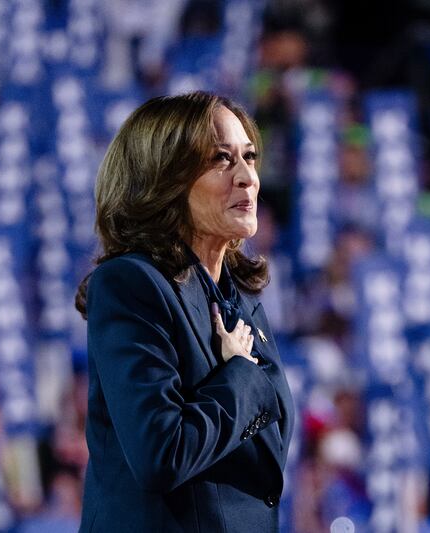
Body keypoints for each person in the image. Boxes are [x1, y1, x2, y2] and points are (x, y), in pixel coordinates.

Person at [74, 91, 295, 532]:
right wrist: (239, 374)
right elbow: (161, 453)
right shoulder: (131, 285)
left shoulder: (241, 295)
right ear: (164, 179)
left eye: (249, 157)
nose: (247, 177)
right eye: (220, 159)